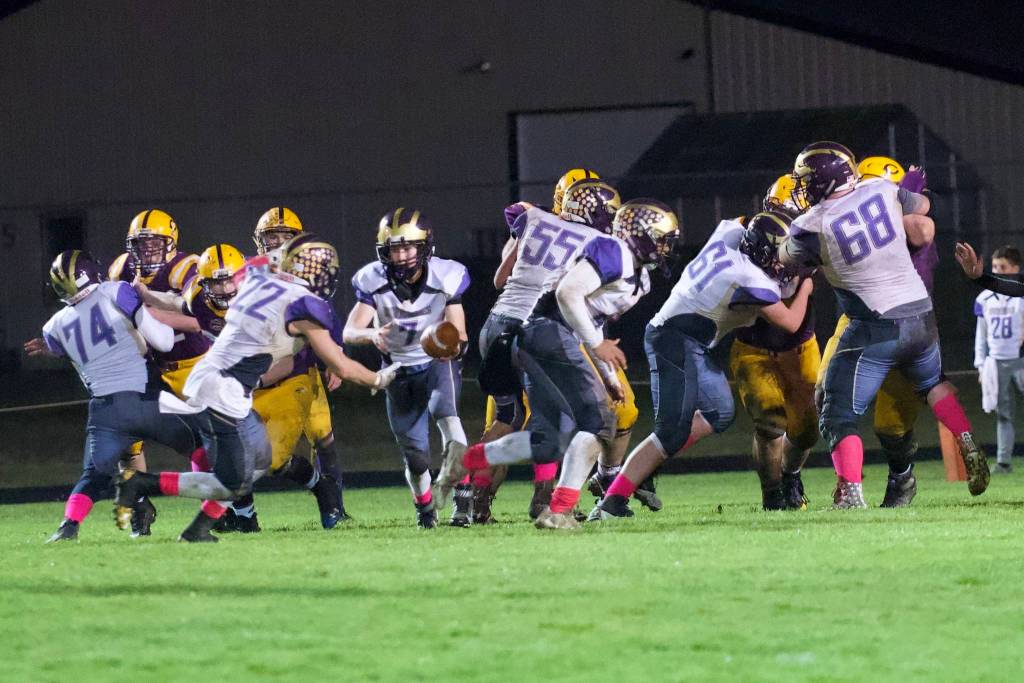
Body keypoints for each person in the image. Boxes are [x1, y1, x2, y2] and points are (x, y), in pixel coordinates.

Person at [114, 234, 397, 541]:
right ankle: (142, 484)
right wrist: (379, 379)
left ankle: (198, 528)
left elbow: (256, 265)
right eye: (319, 267)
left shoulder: (256, 280)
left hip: (214, 383)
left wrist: (151, 301)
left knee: (261, 461)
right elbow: (341, 366)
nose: (323, 274)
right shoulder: (303, 305)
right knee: (233, 482)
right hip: (221, 395)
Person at [781, 141, 987, 507]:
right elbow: (922, 212)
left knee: (836, 411)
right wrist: (899, 198)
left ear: (821, 181)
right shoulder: (882, 190)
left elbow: (788, 258)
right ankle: (966, 439)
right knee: (931, 383)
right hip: (921, 317)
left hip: (874, 322)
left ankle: (849, 493)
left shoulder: (812, 223)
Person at [589, 211, 813, 520]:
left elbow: (737, 221)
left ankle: (642, 468)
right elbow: (791, 322)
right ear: (761, 252)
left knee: (719, 412)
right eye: (779, 255)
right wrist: (807, 286)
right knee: (671, 433)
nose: (784, 263)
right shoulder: (749, 279)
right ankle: (611, 502)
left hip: (688, 341)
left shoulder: (729, 236)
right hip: (674, 341)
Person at [26, 251, 203, 543]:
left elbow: (68, 343)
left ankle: (69, 525)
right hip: (145, 396)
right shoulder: (115, 291)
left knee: (94, 474)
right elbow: (163, 341)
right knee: (199, 447)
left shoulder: (52, 327)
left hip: (106, 412)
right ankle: (210, 513)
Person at [815, 157, 938, 507]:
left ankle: (901, 477)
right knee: (825, 397)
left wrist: (904, 198)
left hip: (904, 323)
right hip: (855, 321)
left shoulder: (911, 222)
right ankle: (848, 482)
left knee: (891, 425)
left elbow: (922, 227)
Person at [343, 209, 470, 528]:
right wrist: (372, 334)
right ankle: (426, 509)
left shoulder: (446, 275)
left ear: (424, 246)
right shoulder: (372, 279)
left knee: (452, 427)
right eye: (394, 249)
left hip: (436, 362)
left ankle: (464, 501)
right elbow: (349, 331)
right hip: (398, 370)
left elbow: (460, 332)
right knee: (416, 458)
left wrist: (451, 345)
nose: (401, 256)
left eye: (408, 247)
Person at [108, 209, 209, 536]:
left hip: (189, 365)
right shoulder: (121, 268)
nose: (147, 249)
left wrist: (147, 315)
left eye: (154, 243)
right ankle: (140, 507)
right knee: (129, 441)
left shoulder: (185, 267)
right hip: (145, 367)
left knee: (203, 442)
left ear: (170, 241)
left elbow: (200, 320)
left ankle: (211, 510)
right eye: (141, 243)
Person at [728, 177, 819, 510]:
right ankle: (773, 494)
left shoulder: (814, 237)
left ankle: (791, 473)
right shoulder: (745, 238)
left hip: (799, 346)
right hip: (754, 346)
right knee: (769, 423)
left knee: (808, 429)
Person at [973, 246, 1024, 474]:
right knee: (1003, 414)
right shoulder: (984, 298)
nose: (997, 271)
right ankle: (1004, 462)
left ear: (1015, 268)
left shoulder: (1020, 295)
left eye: (1002, 267)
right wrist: (981, 364)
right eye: (994, 267)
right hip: (997, 362)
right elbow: (980, 336)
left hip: (1020, 360)